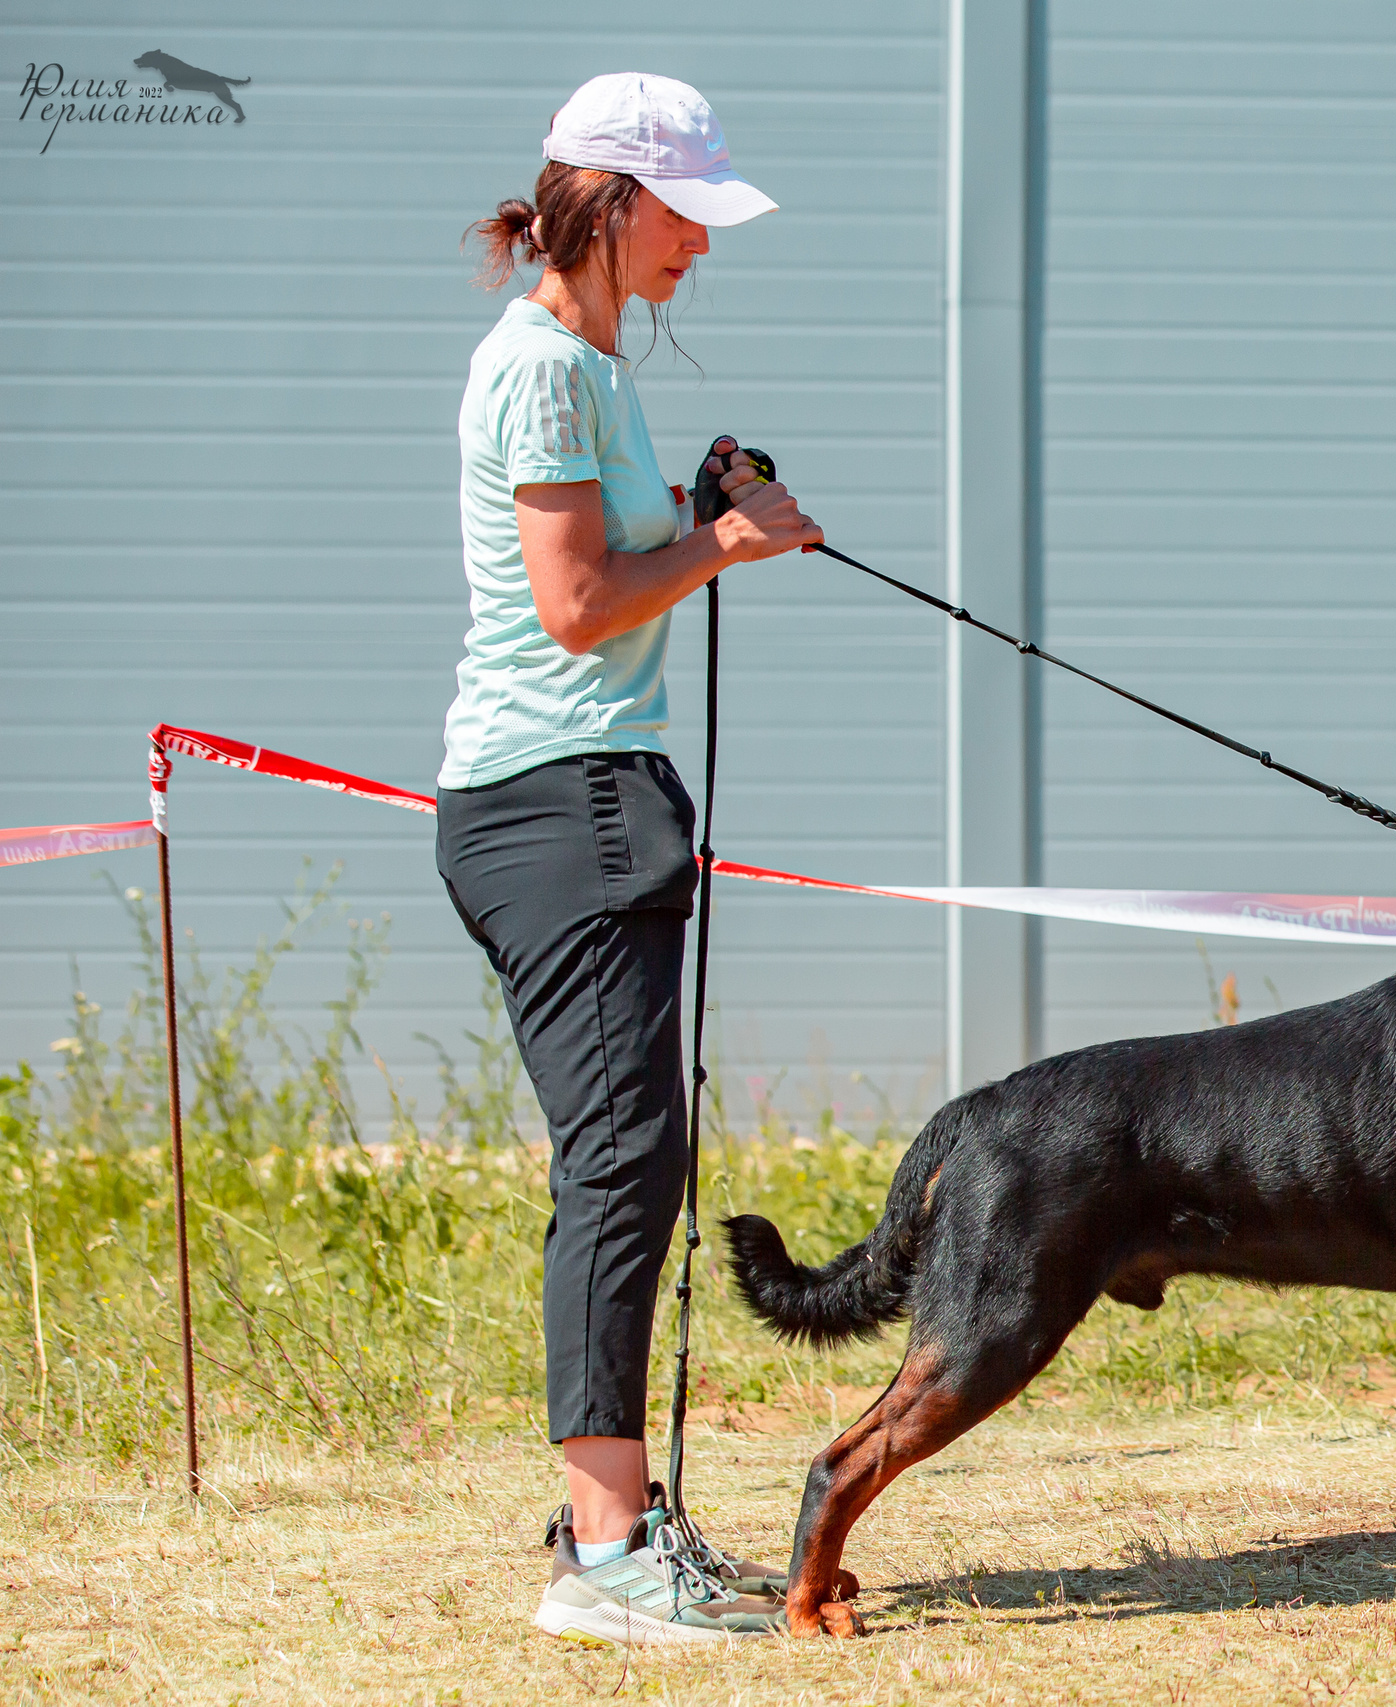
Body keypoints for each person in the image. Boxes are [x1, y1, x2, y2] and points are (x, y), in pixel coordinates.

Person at [434, 73, 823, 1644]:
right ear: (604, 203)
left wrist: (696, 504)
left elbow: (606, 551)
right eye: (683, 214)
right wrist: (722, 542)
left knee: (636, 1150)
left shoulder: (584, 365)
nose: (700, 246)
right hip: (559, 802)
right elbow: (577, 605)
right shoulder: (541, 366)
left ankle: (623, 1520)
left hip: (588, 795)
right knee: (620, 1155)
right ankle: (602, 1551)